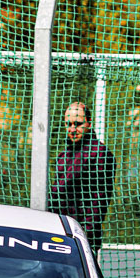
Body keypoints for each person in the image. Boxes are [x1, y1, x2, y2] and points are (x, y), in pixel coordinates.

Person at [48, 101, 115, 248]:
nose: (72, 129)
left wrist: (84, 236)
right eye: (68, 124)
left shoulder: (99, 154)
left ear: (89, 123)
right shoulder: (63, 156)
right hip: (58, 232)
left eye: (78, 124)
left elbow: (98, 201)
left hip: (82, 238)